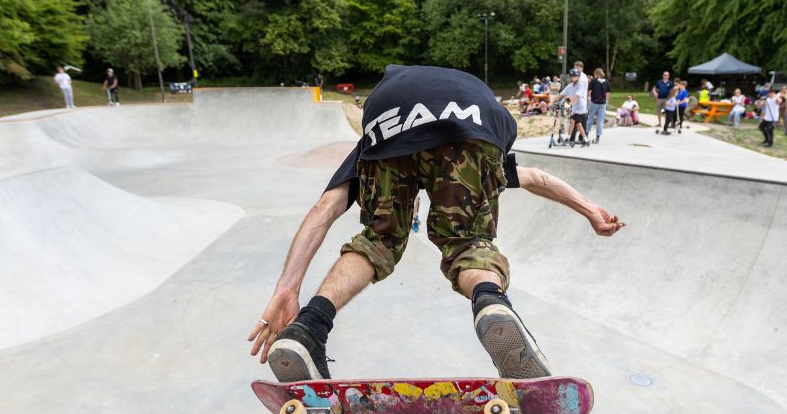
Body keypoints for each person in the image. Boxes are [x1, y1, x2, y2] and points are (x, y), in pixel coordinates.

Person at [247, 65, 625, 382]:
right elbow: (535, 177)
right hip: (476, 118)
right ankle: (491, 302)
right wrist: (589, 209)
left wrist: (287, 288)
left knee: (378, 240)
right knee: (466, 241)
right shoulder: (462, 101)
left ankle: (309, 327)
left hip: (387, 116)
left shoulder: (377, 134)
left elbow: (325, 207)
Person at [560, 69, 590, 147]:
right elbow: (565, 94)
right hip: (577, 107)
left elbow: (576, 96)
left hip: (581, 107)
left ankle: (568, 139)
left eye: (575, 76)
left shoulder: (580, 84)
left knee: (573, 121)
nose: (573, 78)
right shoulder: (571, 85)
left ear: (578, 77)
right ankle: (586, 140)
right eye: (572, 76)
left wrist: (570, 104)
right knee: (579, 124)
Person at [586, 68, 610, 144]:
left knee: (590, 118)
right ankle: (597, 138)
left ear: (596, 74)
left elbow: (589, 91)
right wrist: (607, 102)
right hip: (603, 103)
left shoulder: (593, 81)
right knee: (600, 120)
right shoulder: (606, 82)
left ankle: (586, 135)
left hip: (594, 102)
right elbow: (608, 93)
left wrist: (586, 99)